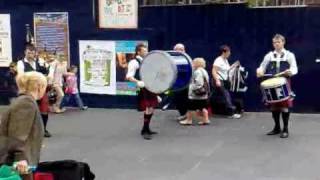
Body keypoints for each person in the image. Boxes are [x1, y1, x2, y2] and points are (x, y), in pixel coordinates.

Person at [0, 71, 47, 180]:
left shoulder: (22, 101)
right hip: (19, 163)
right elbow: (17, 133)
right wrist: (20, 157)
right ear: (39, 87)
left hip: (17, 159)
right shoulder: (26, 103)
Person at [256, 34, 298, 138]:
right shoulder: (269, 55)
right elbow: (262, 67)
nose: (276, 44)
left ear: (283, 42)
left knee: (284, 107)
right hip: (271, 83)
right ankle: (277, 127)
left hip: (284, 82)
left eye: (278, 42)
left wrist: (290, 72)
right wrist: (259, 71)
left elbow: (294, 68)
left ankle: (285, 129)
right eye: (274, 42)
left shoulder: (289, 55)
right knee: (274, 107)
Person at [17, 44, 52, 138]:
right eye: (29, 52)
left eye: (32, 53)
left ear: (35, 53)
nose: (31, 54)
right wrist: (37, 76)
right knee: (28, 111)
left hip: (40, 90)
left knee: (44, 110)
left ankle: (43, 130)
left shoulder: (39, 62)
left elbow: (49, 69)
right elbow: (21, 76)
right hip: (28, 91)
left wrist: (48, 76)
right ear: (25, 52)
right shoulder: (20, 63)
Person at [126, 44, 159, 140]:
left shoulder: (147, 61)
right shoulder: (134, 62)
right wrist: (138, 82)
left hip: (150, 87)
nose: (146, 52)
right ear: (138, 52)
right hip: (142, 87)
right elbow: (129, 76)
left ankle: (147, 128)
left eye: (146, 50)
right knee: (148, 108)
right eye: (144, 51)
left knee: (152, 108)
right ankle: (144, 130)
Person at [212, 45, 241, 118]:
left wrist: (234, 65)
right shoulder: (218, 60)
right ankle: (231, 113)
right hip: (219, 80)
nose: (230, 53)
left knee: (217, 95)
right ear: (223, 52)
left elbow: (228, 70)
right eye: (228, 52)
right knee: (226, 95)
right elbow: (214, 71)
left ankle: (202, 108)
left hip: (224, 81)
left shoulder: (225, 60)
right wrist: (217, 81)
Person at [179, 58, 210, 125]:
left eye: (193, 63)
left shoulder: (197, 72)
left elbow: (199, 83)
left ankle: (188, 120)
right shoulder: (204, 71)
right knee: (202, 107)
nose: (192, 64)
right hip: (203, 94)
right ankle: (206, 119)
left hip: (196, 95)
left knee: (190, 108)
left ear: (197, 64)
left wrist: (191, 87)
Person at [172, 43, 189, 120]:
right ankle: (183, 113)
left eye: (182, 49)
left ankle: (185, 114)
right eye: (178, 49)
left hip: (185, 83)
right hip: (175, 83)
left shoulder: (187, 58)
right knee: (177, 99)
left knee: (184, 99)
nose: (179, 51)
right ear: (174, 50)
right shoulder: (171, 58)